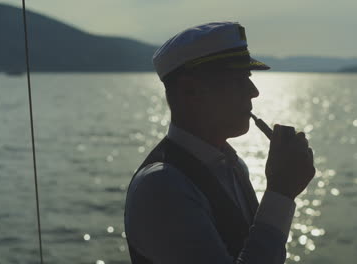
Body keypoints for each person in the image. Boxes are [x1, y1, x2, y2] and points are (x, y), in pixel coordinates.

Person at [124, 21, 316, 264]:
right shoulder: (161, 186)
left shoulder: (234, 167)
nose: (254, 91)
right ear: (190, 90)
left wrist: (282, 192)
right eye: (239, 80)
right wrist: (281, 193)